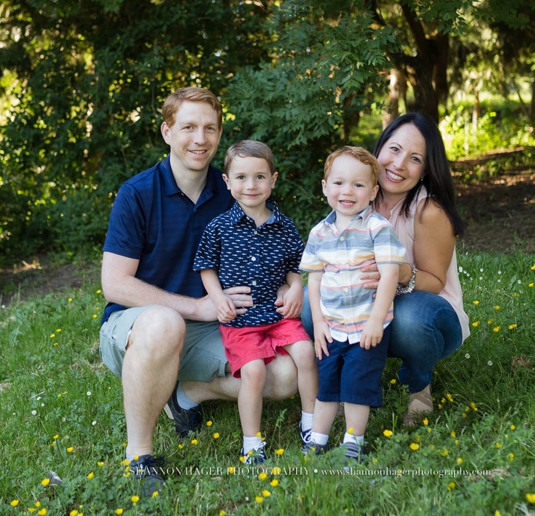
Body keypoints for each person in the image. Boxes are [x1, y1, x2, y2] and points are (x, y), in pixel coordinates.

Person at [99, 87, 297, 495]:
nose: (200, 138)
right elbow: (114, 283)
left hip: (215, 326)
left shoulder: (234, 190)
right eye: (188, 127)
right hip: (141, 326)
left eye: (210, 128)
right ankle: (140, 455)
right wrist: (196, 306)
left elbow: (276, 247)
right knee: (164, 323)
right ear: (167, 132)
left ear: (220, 134)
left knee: (282, 378)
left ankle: (185, 393)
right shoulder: (137, 193)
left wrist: (292, 285)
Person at [301, 113, 469, 426]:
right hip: (366, 304)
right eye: (394, 149)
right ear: (379, 149)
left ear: (425, 170)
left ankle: (419, 387)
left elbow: (435, 281)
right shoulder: (357, 194)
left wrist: (398, 272)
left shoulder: (428, 210)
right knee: (313, 306)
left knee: (409, 320)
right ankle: (342, 378)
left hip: (429, 311)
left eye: (415, 158)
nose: (399, 164)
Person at [194, 140, 318, 465]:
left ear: (273, 179)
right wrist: (218, 297)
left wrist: (295, 288)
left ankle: (311, 427)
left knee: (306, 351)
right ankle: (252, 442)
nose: (251, 185)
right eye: (242, 177)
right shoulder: (218, 228)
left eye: (260, 177)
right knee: (252, 372)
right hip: (241, 318)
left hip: (278, 314)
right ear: (227, 181)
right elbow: (206, 267)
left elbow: (295, 268)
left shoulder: (285, 227)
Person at [299, 146, 405, 462]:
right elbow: (314, 281)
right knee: (327, 384)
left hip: (366, 327)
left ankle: (352, 442)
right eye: (339, 183)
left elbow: (389, 276)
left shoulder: (378, 229)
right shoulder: (319, 232)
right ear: (325, 187)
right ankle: (317, 440)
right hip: (331, 326)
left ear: (373, 192)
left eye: (358, 185)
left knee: (357, 387)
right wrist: (318, 323)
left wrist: (375, 320)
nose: (348, 191)